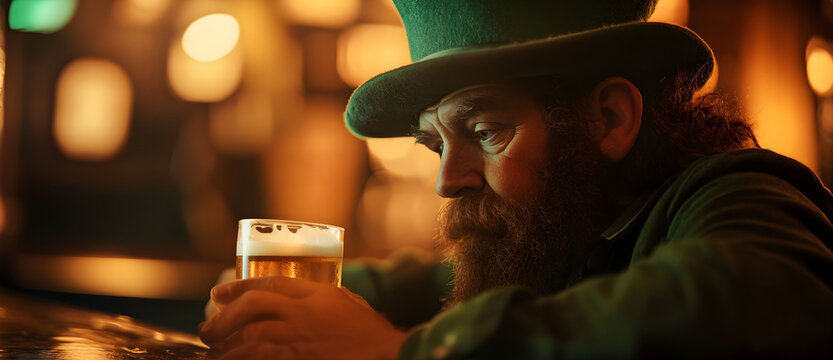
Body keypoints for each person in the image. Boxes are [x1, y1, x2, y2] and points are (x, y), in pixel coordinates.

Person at [200, 0, 833, 358]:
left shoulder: (740, 195)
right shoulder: (553, 236)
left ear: (609, 119)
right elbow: (422, 282)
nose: (448, 181)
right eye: (434, 144)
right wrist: (268, 305)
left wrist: (399, 354)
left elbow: (748, 301)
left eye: (484, 131)